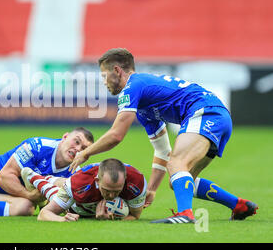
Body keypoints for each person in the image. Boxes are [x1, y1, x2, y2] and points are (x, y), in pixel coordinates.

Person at [69, 48, 258, 224]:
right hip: (218, 117)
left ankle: (185, 214)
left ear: (117, 70)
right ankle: (238, 205)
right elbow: (162, 150)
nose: (104, 82)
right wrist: (151, 189)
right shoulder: (144, 106)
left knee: (177, 164)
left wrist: (85, 153)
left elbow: (116, 135)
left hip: (205, 113)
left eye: (104, 76)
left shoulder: (133, 86)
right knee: (179, 179)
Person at [21, 158, 146, 222]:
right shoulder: (78, 184)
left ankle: (49, 179)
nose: (112, 195)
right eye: (107, 190)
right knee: (58, 195)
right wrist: (62, 219)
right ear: (97, 181)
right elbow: (44, 214)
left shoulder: (136, 183)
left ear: (124, 180)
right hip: (76, 203)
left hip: (80, 188)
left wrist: (108, 219)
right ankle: (33, 177)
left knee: (65, 186)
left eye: (117, 191)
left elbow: (135, 216)